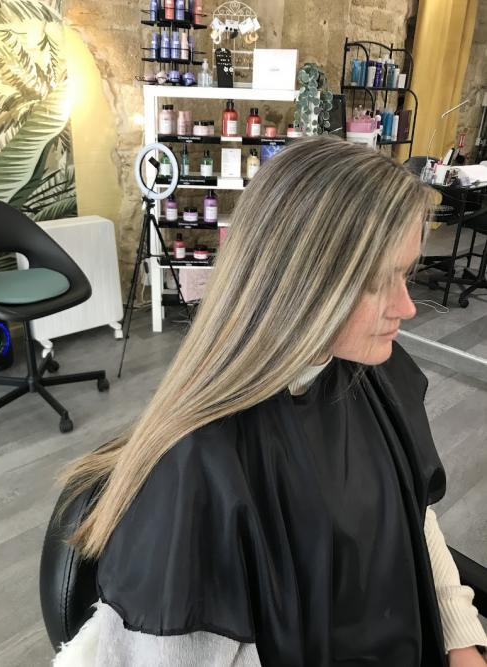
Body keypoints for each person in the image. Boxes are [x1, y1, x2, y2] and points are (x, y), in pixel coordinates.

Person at [53, 137, 487, 666]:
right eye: (378, 283)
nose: (407, 307)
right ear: (298, 284)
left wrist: (461, 640)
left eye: (405, 273)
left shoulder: (377, 372)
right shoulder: (199, 470)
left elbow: (411, 513)